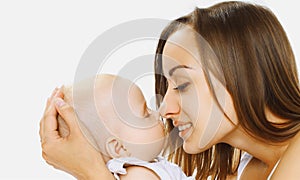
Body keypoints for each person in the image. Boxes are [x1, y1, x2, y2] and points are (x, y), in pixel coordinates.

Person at [39, 1, 300, 180]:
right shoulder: (242, 170)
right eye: (168, 88)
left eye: (183, 85)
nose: (165, 109)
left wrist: (91, 171)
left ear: (244, 72)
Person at [43, 74, 193, 180]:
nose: (158, 113)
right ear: (119, 147)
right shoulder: (137, 175)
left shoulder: (147, 168)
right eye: (146, 114)